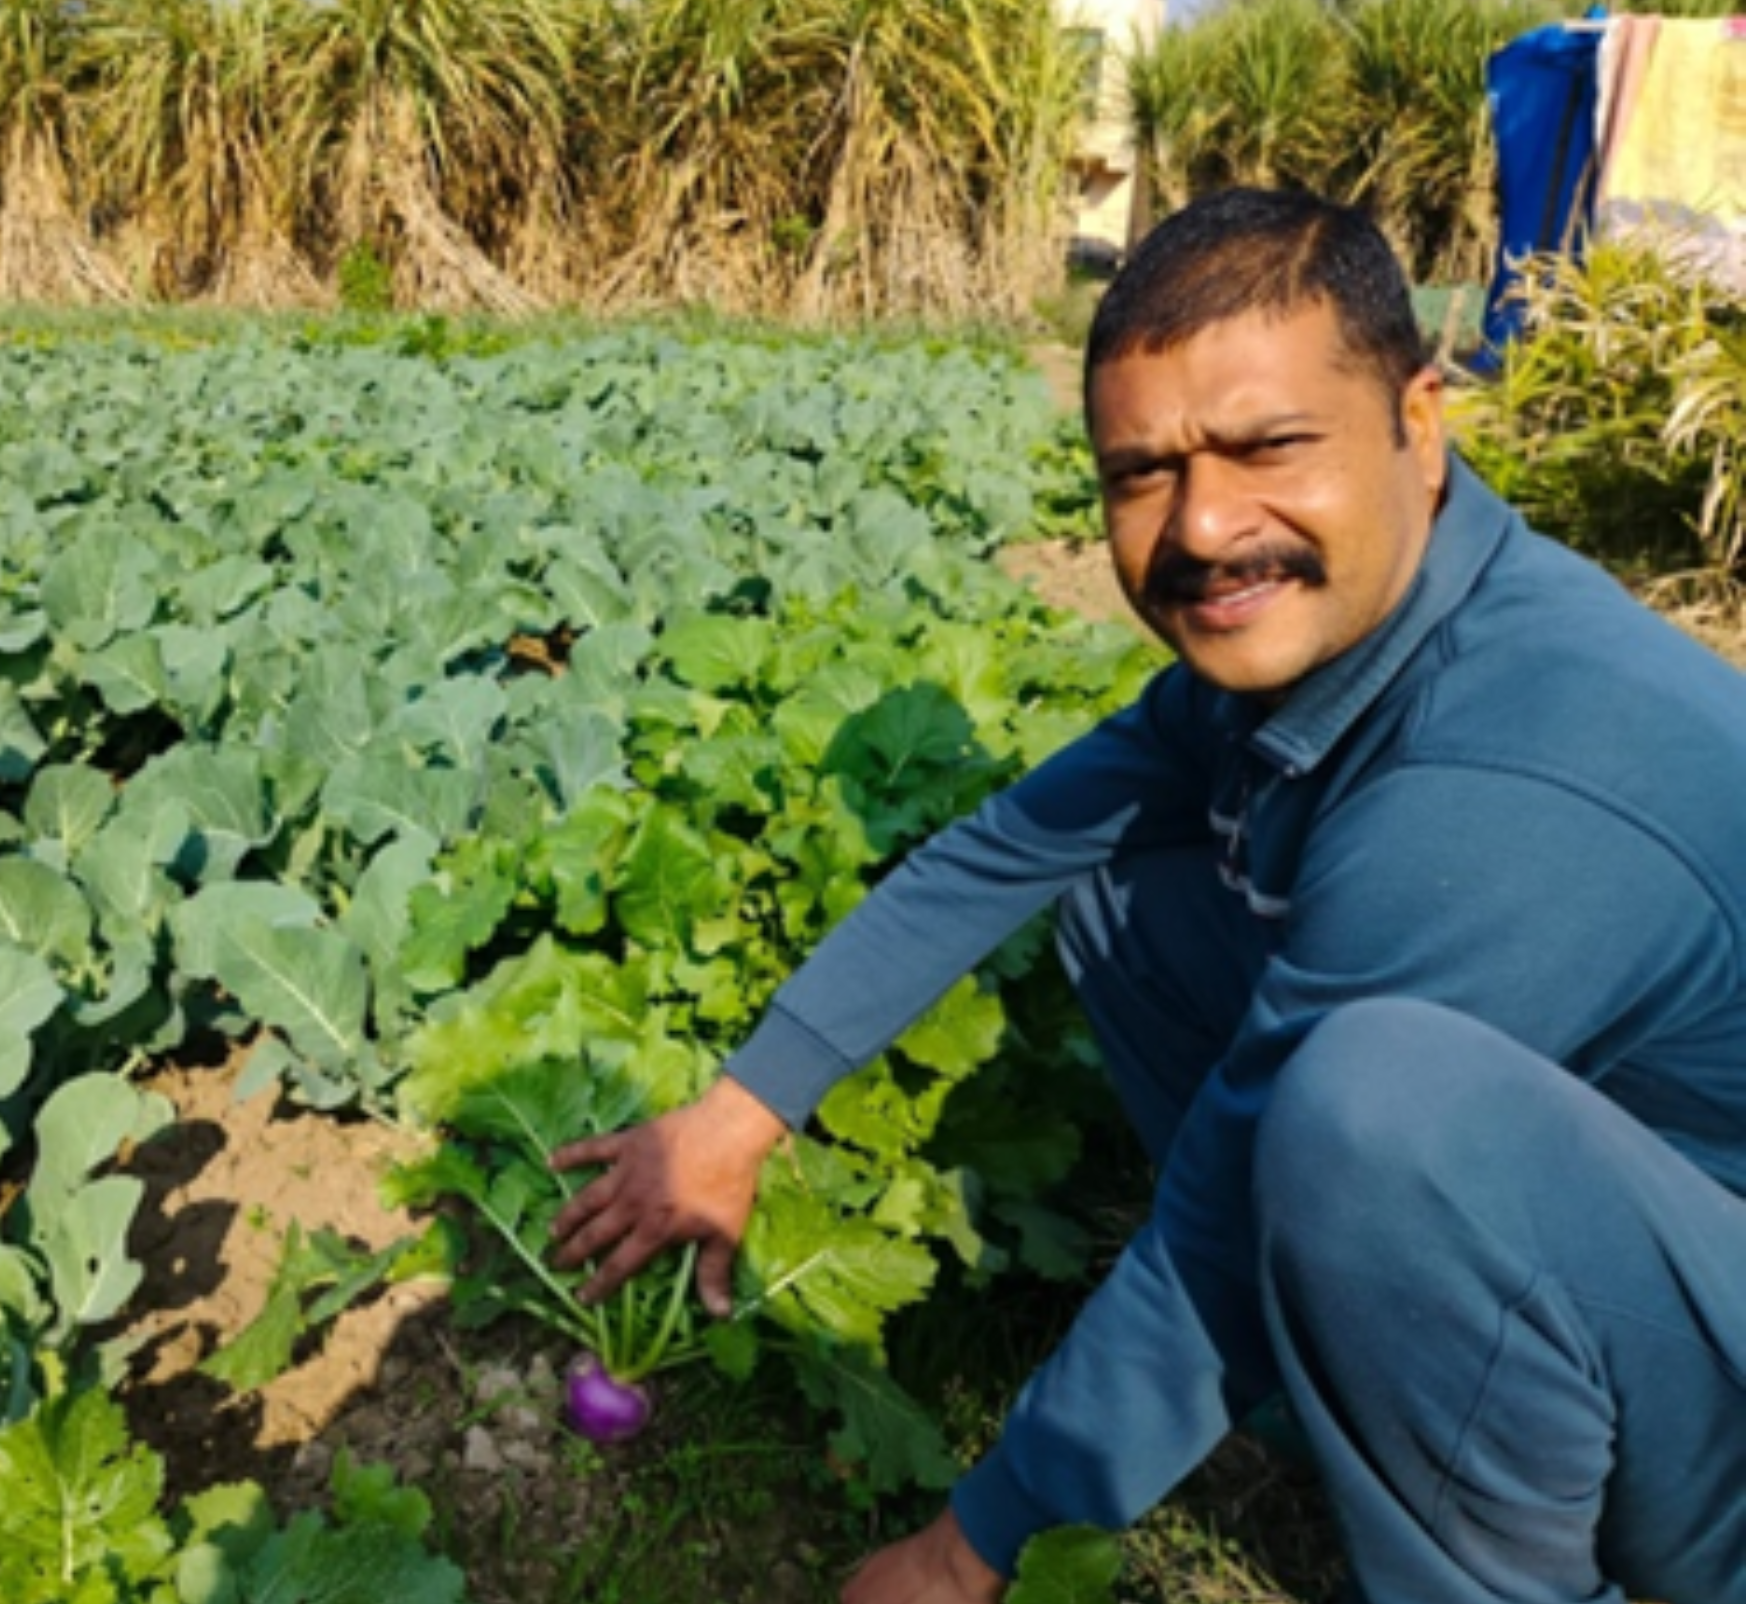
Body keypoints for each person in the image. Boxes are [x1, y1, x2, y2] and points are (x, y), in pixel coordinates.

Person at [546, 187, 1746, 1604]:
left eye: (1269, 446)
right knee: (1132, 899)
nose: (1206, 524)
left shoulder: (1513, 768)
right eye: (1142, 473)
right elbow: (1014, 847)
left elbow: (1228, 1209)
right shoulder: (1329, 654)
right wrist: (736, 1115)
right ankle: (1337, 1366)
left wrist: (966, 1553)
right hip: (1635, 1243)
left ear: (1421, 423)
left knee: (1369, 1106)